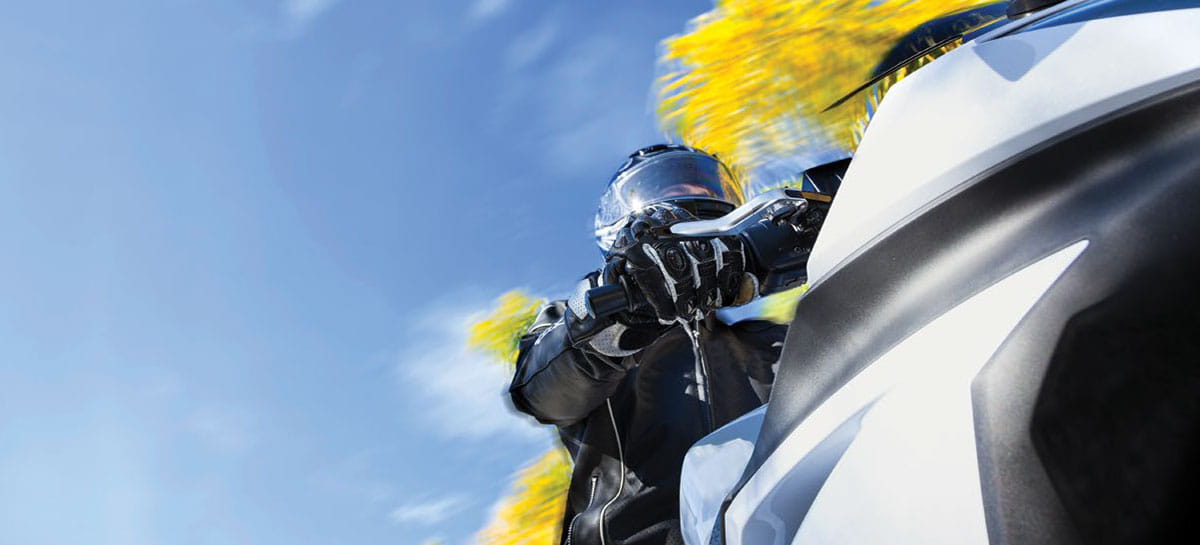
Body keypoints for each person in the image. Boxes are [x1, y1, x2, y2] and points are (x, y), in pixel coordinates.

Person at [508, 144, 787, 545]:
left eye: (704, 184)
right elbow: (540, 393)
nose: (692, 190)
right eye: (668, 184)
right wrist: (614, 323)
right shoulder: (580, 319)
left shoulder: (775, 339)